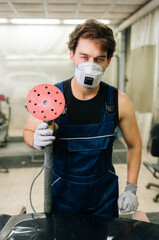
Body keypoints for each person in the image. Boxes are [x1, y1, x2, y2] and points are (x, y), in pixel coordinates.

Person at [23, 19, 142, 218]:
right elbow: (28, 132)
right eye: (84, 57)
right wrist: (35, 141)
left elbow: (135, 145)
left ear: (108, 61)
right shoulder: (51, 96)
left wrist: (131, 188)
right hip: (62, 195)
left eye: (99, 59)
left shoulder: (119, 101)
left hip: (103, 196)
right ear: (72, 56)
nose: (90, 65)